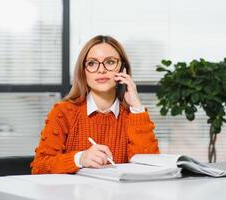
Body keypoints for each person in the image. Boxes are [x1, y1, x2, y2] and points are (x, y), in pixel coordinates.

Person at [31, 35, 160, 174]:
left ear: (122, 68)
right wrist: (79, 159)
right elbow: (39, 168)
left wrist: (136, 106)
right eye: (92, 63)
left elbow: (150, 170)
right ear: (83, 71)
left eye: (110, 62)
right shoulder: (63, 112)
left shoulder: (134, 115)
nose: (101, 70)